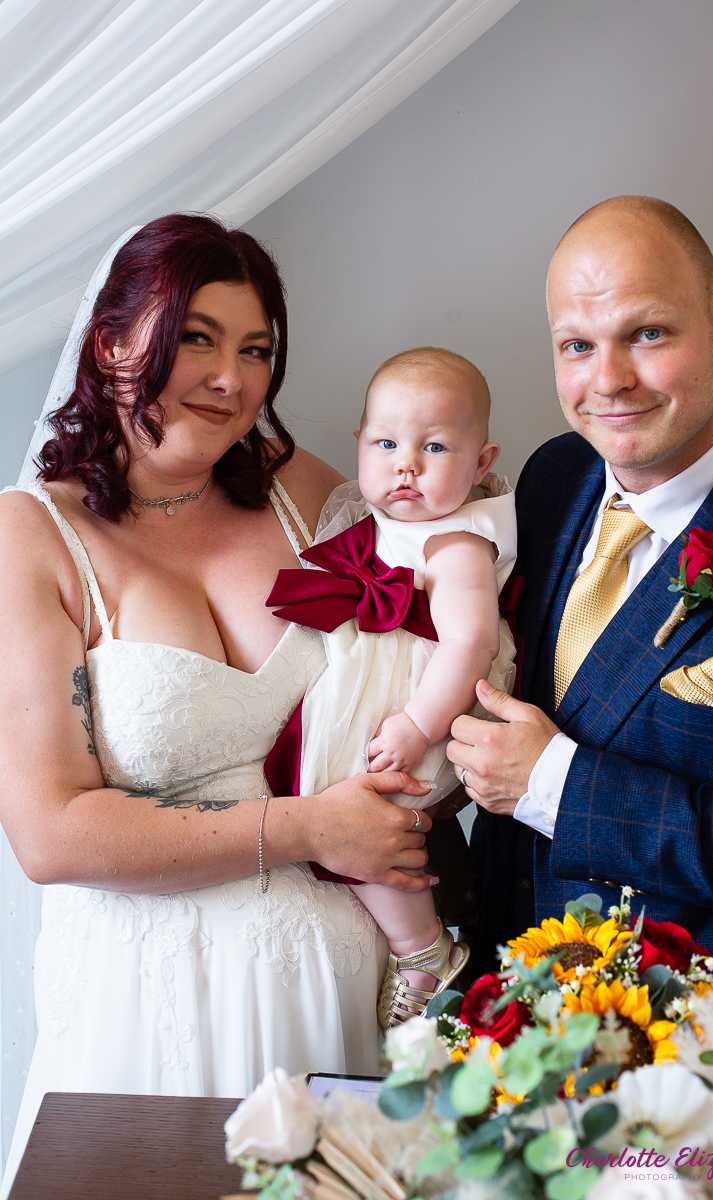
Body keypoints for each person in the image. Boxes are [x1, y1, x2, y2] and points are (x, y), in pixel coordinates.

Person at [0, 215, 435, 1197]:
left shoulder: (304, 494)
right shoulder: (30, 536)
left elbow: (422, 641)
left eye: (256, 350)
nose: (231, 379)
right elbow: (50, 833)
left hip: (335, 990)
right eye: (196, 338)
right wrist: (313, 826)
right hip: (150, 1012)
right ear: (112, 342)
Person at [447, 195, 713, 989]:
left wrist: (550, 784)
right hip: (503, 1012)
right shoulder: (550, 479)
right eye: (577, 345)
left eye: (647, 334)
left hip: (701, 1051)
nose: (607, 381)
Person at [267, 348, 516, 1026]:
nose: (406, 464)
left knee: (355, 809)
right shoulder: (374, 517)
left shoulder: (459, 540)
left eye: (435, 447)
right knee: (335, 808)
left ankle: (423, 949)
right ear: (359, 445)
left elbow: (472, 642)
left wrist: (417, 726)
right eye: (386, 444)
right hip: (375, 686)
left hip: (420, 698)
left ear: (481, 462)